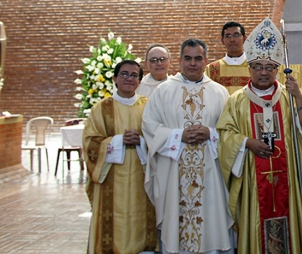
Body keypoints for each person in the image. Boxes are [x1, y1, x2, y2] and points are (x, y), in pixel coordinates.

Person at [217, 18, 302, 254]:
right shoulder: (237, 101)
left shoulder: (288, 96)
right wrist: (246, 143)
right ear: (249, 68)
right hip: (253, 181)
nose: (263, 72)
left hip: (287, 180)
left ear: (276, 70)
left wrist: (300, 100)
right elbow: (225, 135)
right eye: (258, 67)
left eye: (269, 67)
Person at [142, 38, 234, 254]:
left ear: (206, 61)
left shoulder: (220, 92)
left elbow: (231, 131)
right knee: (176, 224)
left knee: (212, 222)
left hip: (210, 173)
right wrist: (177, 135)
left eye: (198, 58)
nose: (193, 63)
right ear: (180, 61)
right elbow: (149, 126)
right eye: (188, 58)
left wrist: (210, 133)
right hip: (174, 171)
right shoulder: (163, 91)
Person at [83, 59, 158, 254]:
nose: (129, 78)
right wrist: (117, 141)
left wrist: (141, 141)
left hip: (142, 179)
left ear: (140, 81)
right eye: (124, 74)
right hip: (111, 178)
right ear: (115, 78)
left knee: (142, 222)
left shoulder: (149, 107)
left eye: (134, 75)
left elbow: (159, 137)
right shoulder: (101, 109)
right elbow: (90, 143)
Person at [205, 22, 251, 95]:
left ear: (244, 39)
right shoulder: (211, 69)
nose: (232, 39)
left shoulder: (256, 67)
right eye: (228, 36)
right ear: (222, 41)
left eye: (236, 35)